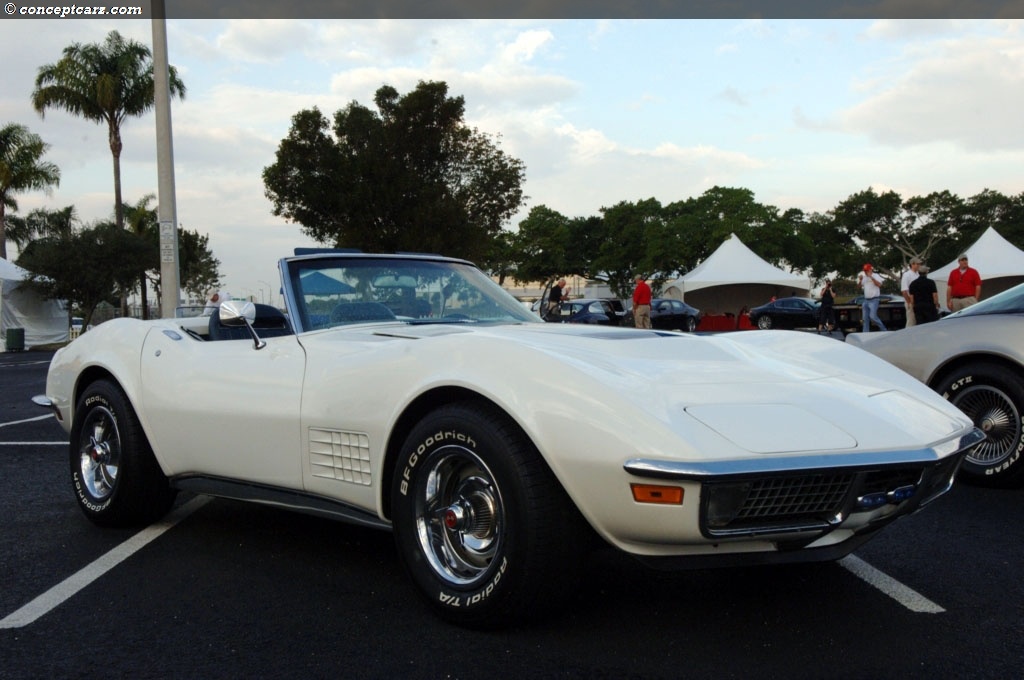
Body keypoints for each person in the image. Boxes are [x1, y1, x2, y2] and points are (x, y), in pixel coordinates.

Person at [857, 263, 887, 332]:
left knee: (873, 317)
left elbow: (879, 285)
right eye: (865, 270)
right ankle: (865, 332)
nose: (866, 272)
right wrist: (861, 280)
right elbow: (859, 287)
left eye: (867, 270)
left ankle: (883, 329)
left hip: (874, 300)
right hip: (866, 300)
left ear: (871, 269)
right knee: (865, 318)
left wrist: (871, 277)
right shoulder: (864, 278)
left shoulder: (876, 276)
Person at [900, 257, 922, 327]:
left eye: (919, 264)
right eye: (917, 264)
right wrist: (909, 302)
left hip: (919, 301)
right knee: (911, 321)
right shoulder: (907, 275)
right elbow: (904, 291)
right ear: (912, 264)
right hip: (911, 301)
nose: (919, 266)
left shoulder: (918, 274)